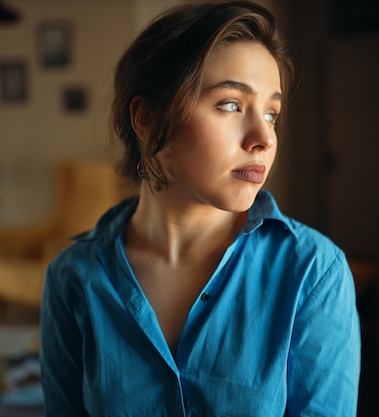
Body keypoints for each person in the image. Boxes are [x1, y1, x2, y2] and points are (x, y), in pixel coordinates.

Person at [39, 1, 361, 416]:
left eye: (272, 113)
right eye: (230, 104)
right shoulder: (72, 279)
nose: (264, 137)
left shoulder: (314, 273)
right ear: (147, 120)